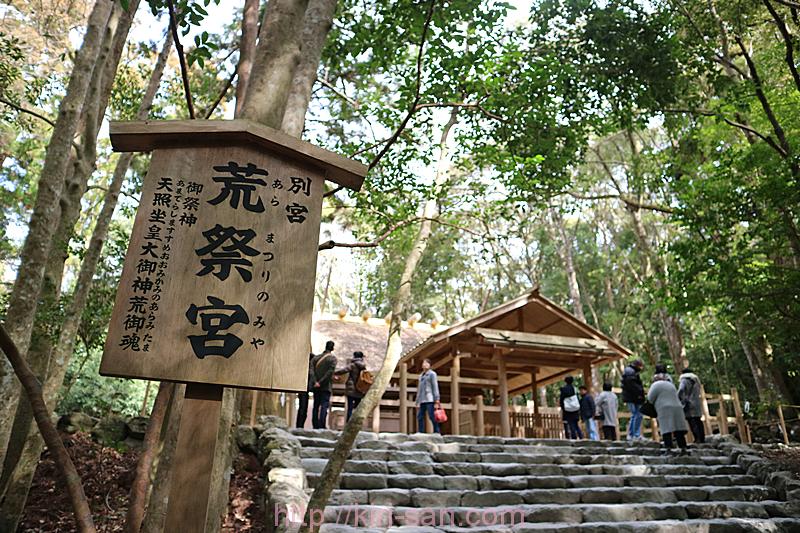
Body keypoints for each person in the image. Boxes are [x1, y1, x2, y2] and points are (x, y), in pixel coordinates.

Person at [648, 373, 689, 454]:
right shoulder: (671, 385)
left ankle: (668, 448)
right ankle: (683, 448)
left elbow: (650, 398)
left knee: (666, 428)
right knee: (678, 429)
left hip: (664, 408)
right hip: (677, 407)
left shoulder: (655, 385)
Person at [310, 340, 336, 429]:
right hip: (326, 386)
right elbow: (329, 373)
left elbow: (311, 371)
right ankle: (322, 424)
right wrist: (321, 382)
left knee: (316, 405)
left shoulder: (315, 358)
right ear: (332, 348)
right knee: (324, 406)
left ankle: (315, 424)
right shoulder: (332, 359)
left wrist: (315, 382)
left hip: (316, 386)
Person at [335, 351, 367, 421]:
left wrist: (334, 373)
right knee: (357, 408)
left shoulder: (352, 365)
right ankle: (356, 422)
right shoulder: (363, 366)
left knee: (350, 407)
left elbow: (344, 370)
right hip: (359, 389)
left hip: (351, 389)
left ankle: (348, 422)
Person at [678, 368, 705, 444]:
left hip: (688, 404)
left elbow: (681, 390)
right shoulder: (696, 380)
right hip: (697, 403)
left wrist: (679, 398)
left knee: (692, 421)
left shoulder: (684, 380)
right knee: (698, 421)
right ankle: (702, 439)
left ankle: (697, 439)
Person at [622, 359, 645, 441]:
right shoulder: (630, 373)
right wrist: (640, 393)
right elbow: (633, 386)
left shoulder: (630, 371)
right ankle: (634, 434)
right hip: (633, 397)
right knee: (636, 415)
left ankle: (634, 434)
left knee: (637, 415)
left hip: (632, 397)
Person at [416, 358, 441, 433]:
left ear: (430, 365)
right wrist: (417, 401)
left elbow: (435, 387)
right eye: (424, 363)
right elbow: (419, 389)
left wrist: (437, 400)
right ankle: (421, 432)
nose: (425, 364)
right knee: (420, 416)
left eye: (427, 363)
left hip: (430, 399)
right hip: (422, 399)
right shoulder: (420, 376)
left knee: (432, 416)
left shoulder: (432, 374)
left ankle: (437, 431)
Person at [296, 352, 314, 428]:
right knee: (303, 409)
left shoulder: (303, 367)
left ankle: (299, 425)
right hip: (304, 389)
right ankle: (300, 426)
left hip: (303, 389)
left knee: (302, 408)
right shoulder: (309, 368)